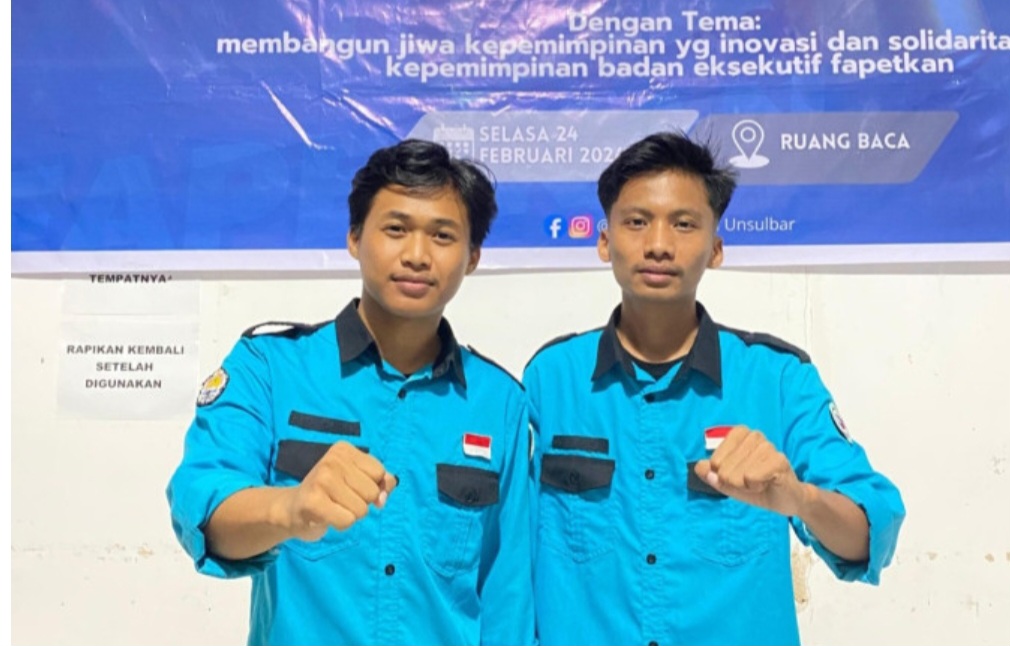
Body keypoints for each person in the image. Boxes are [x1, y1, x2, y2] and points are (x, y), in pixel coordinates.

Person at [524, 132, 905, 646]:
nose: (659, 244)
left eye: (684, 224)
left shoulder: (777, 380)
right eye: (637, 222)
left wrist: (800, 498)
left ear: (716, 248)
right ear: (604, 241)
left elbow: (870, 534)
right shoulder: (550, 380)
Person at [167, 139, 534, 646]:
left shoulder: (501, 403)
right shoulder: (270, 367)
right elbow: (202, 504)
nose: (417, 255)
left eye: (443, 235)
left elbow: (508, 595)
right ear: (355, 237)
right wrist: (292, 508)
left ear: (472, 257)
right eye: (396, 229)